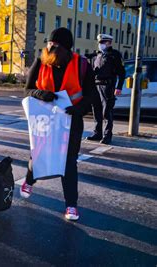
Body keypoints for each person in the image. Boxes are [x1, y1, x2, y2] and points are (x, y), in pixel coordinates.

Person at [21, 27, 98, 221]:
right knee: (38, 155)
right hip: (45, 121)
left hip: (71, 120)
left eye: (54, 46)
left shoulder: (82, 65)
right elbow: (27, 89)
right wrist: (40, 94)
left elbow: (91, 94)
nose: (49, 49)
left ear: (66, 48)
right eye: (48, 44)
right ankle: (29, 181)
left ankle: (71, 205)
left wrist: (79, 110)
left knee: (69, 162)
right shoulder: (40, 62)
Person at [86, 34, 125, 144]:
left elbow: (122, 73)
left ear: (109, 43)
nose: (100, 45)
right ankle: (97, 133)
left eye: (103, 42)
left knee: (106, 111)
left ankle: (107, 135)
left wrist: (119, 87)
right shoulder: (97, 55)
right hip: (96, 85)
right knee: (96, 110)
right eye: (99, 42)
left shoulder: (114, 55)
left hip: (107, 86)